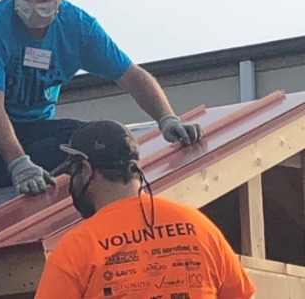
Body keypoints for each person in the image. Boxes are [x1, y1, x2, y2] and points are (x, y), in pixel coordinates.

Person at [0, 0, 203, 226]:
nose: (34, 7)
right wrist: (18, 164)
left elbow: (132, 75)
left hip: (30, 134)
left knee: (86, 139)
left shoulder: (79, 28)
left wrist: (167, 119)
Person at [34, 120, 256, 298]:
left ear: (86, 168)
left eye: (73, 172)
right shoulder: (199, 227)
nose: (72, 183)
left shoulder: (77, 247)